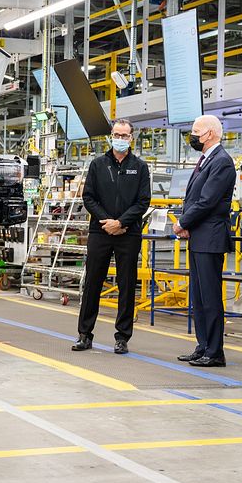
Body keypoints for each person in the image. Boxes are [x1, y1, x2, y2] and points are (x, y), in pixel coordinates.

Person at [73, 119, 152, 354]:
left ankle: (122, 337)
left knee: (127, 285)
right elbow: (89, 198)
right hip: (101, 231)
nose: (120, 138)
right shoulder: (98, 165)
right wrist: (107, 222)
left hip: (128, 233)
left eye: (125, 135)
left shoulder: (140, 167)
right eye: (117, 134)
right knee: (93, 283)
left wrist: (121, 222)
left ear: (131, 138)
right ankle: (84, 335)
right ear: (111, 135)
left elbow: (143, 201)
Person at [173, 115, 236, 368]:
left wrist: (183, 223)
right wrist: (188, 225)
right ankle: (203, 346)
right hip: (199, 236)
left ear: (209, 133)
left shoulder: (222, 162)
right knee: (199, 296)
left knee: (210, 296)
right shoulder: (206, 160)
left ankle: (215, 352)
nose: (192, 135)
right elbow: (195, 198)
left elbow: (207, 201)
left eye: (195, 131)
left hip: (210, 238)